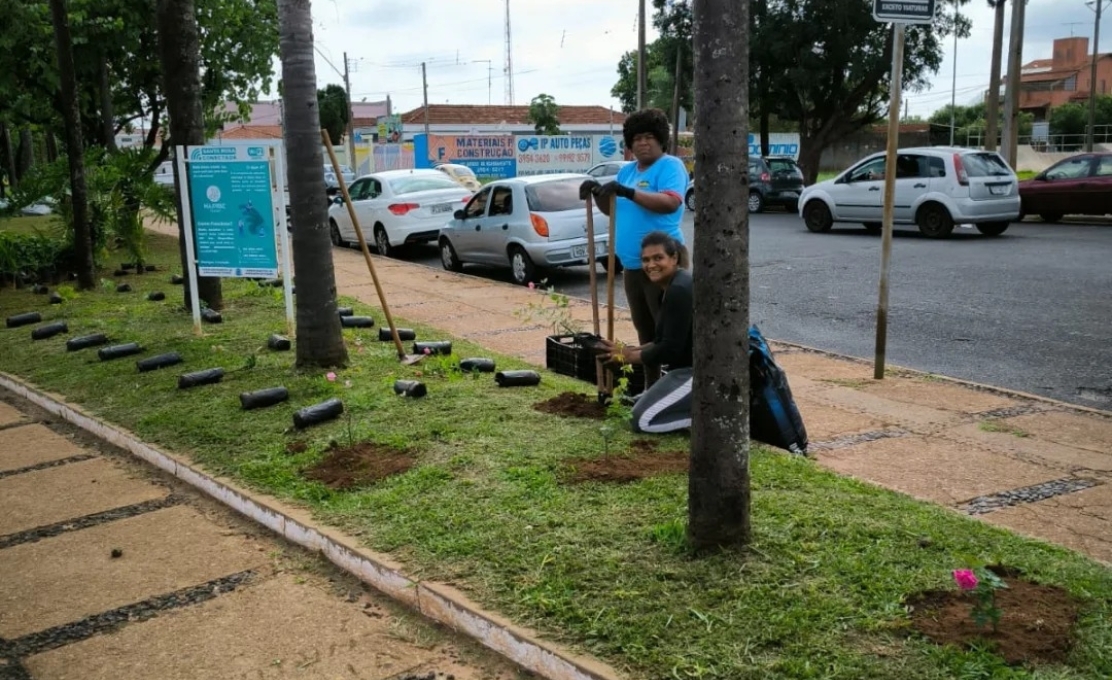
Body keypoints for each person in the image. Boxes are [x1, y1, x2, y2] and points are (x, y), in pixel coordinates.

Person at [579, 108, 688, 387]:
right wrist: (599, 192)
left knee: (670, 333)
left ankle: (678, 386)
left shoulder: (670, 165)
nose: (643, 143)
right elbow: (611, 209)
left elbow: (671, 201)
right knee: (645, 330)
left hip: (663, 265)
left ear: (661, 139)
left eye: (649, 137)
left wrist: (628, 191)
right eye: (637, 138)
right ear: (629, 143)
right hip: (631, 265)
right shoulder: (627, 170)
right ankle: (652, 387)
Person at [598, 231, 693, 434]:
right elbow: (660, 341)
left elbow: (670, 350)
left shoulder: (680, 290)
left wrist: (631, 356)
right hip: (682, 370)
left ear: (674, 258)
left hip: (699, 372)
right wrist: (626, 350)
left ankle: (702, 418)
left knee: (640, 420)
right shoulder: (670, 287)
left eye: (658, 258)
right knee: (635, 406)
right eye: (646, 260)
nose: (651, 265)